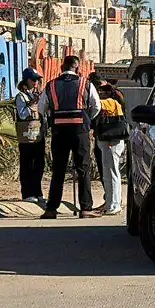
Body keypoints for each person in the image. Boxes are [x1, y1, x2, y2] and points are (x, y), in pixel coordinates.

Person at [36, 56, 101, 219]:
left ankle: (51, 208)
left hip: (59, 131)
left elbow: (41, 108)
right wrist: (87, 120)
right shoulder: (85, 83)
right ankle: (85, 208)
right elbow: (96, 106)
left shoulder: (51, 85)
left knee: (58, 170)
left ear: (61, 68)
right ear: (78, 69)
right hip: (80, 130)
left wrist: (53, 117)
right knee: (83, 168)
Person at [93, 80, 129, 215]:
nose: (99, 93)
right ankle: (110, 203)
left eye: (102, 90)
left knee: (112, 173)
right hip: (108, 141)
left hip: (111, 141)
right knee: (108, 174)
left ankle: (114, 204)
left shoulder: (110, 102)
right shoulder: (113, 102)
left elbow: (94, 105)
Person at [13, 69, 46, 205]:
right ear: (27, 80)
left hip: (38, 135)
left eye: (37, 80)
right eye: (33, 80)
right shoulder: (21, 97)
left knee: (39, 164)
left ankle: (38, 191)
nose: (36, 82)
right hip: (26, 136)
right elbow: (22, 114)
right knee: (27, 163)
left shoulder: (37, 95)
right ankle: (27, 192)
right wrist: (33, 103)